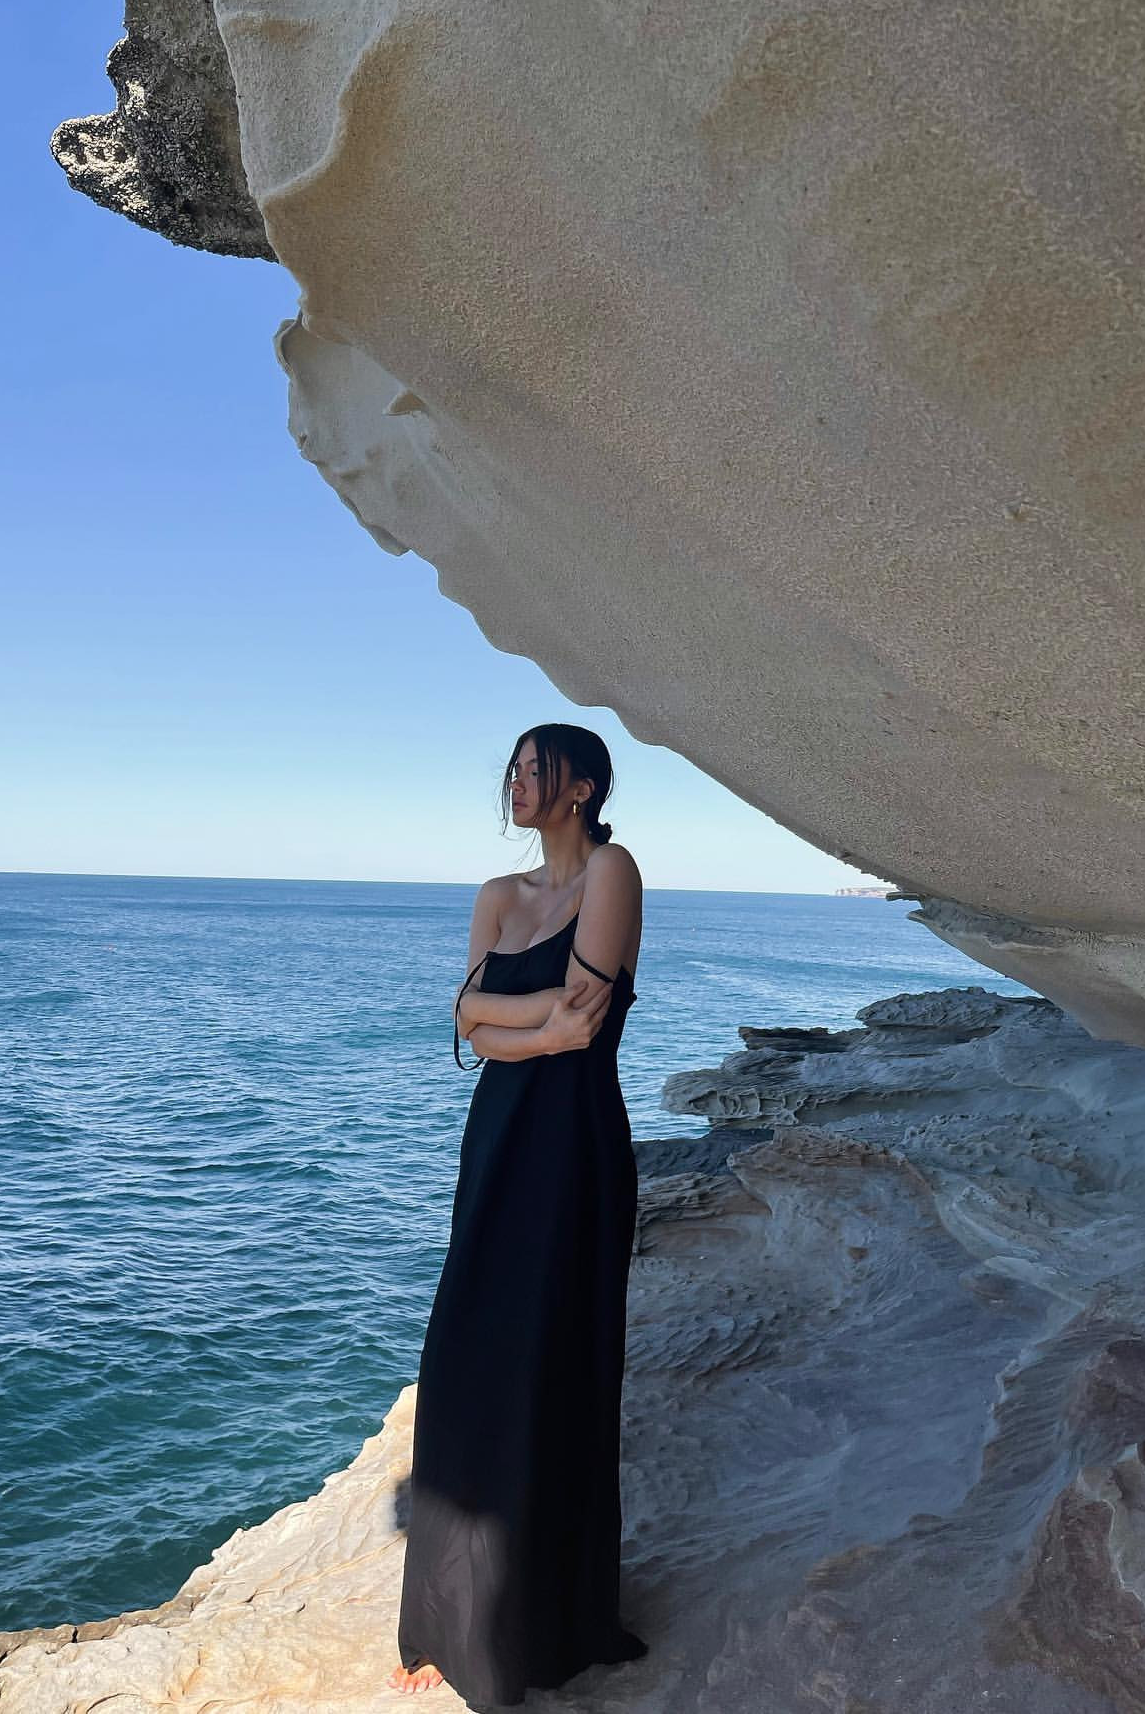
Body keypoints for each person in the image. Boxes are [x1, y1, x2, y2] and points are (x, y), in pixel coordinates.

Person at [388, 723, 649, 1707]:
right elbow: (471, 1016)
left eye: (539, 768)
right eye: (516, 767)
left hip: (572, 1146)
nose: (520, 781)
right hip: (497, 1140)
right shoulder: (499, 895)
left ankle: (544, 1626)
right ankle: (445, 1622)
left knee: (556, 1360)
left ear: (581, 787)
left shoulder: (612, 871)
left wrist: (506, 1021)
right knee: (466, 1354)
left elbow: (585, 1011)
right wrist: (530, 1030)